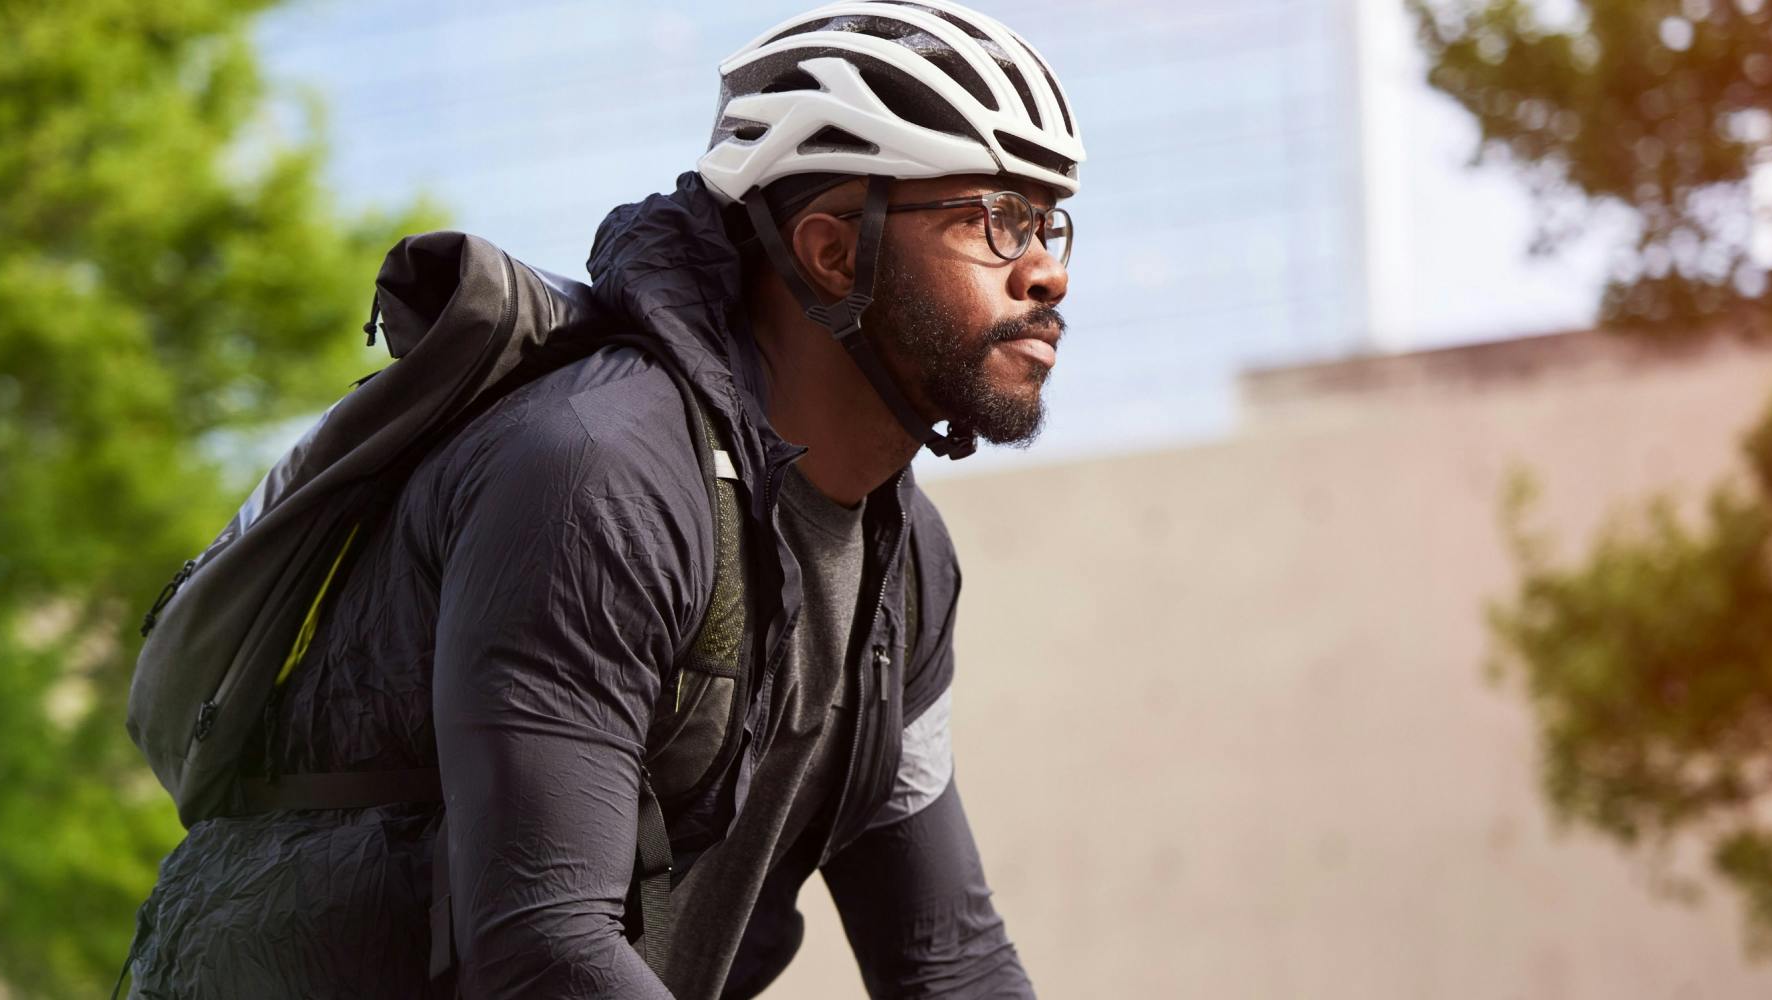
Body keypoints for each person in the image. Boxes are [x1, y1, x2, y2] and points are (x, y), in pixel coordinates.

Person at [123, 1, 1081, 996]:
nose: (1046, 270)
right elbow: (542, 942)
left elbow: (947, 959)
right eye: (993, 221)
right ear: (831, 251)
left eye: (1049, 221)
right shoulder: (596, 473)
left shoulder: (904, 561)